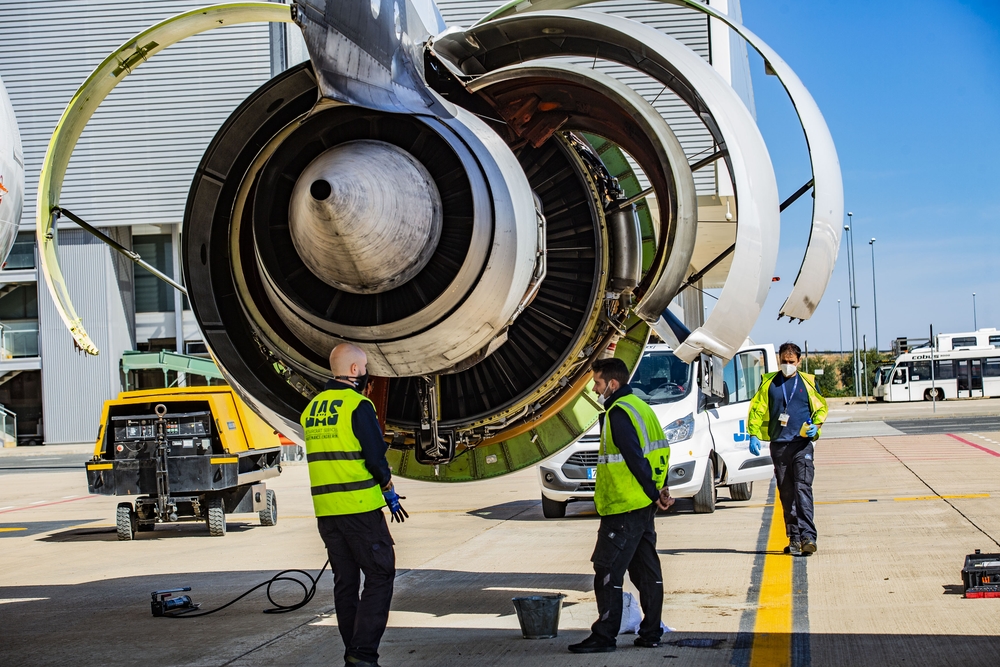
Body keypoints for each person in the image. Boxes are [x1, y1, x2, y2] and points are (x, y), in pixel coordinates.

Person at [302, 343, 407, 667]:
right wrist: (388, 489)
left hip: (327, 513)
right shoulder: (357, 405)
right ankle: (363, 653)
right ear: (353, 371)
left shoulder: (313, 409)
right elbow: (375, 457)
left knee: (345, 582)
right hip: (359, 508)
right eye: (363, 368)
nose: (364, 374)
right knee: (380, 574)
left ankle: (353, 652)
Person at [568, 357, 674, 654]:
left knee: (607, 570)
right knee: (646, 572)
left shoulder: (618, 412)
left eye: (598, 382)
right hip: (641, 506)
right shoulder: (643, 408)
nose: (594, 387)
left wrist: (654, 493)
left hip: (624, 506)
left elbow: (634, 458)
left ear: (612, 384)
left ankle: (604, 636)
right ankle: (651, 632)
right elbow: (662, 451)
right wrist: (660, 490)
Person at [746, 342, 828, 556]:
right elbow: (757, 409)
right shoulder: (769, 384)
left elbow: (821, 408)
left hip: (801, 445)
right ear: (778, 360)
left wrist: (816, 427)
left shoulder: (808, 383)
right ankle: (794, 538)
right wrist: (753, 434)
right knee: (787, 492)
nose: (787, 365)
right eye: (784, 361)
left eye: (791, 362)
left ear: (799, 362)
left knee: (803, 488)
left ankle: (808, 536)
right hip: (779, 446)